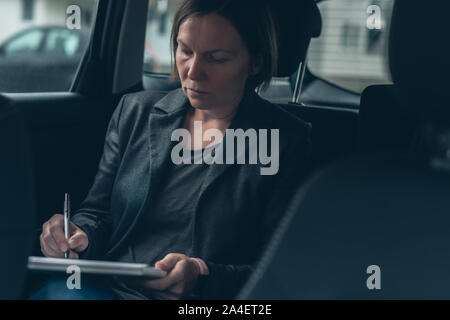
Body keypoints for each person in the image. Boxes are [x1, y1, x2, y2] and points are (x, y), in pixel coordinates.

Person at [33, 0, 311, 300]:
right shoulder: (136, 113)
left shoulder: (285, 141)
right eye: (185, 51)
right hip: (109, 291)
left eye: (216, 58)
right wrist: (78, 234)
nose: (192, 72)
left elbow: (278, 269)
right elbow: (99, 212)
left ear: (254, 63)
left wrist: (201, 274)